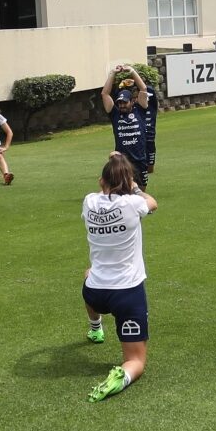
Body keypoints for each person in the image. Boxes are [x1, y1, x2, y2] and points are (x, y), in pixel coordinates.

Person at [82, 152, 157, 402]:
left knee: (88, 273)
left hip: (95, 293)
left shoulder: (89, 202)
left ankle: (95, 328)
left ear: (101, 181)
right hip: (127, 294)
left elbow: (106, 189)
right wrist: (134, 187)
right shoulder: (132, 204)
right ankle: (120, 377)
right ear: (128, 183)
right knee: (135, 361)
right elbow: (152, 203)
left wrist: (114, 169)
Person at [102, 65, 157, 186]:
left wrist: (132, 71)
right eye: (119, 103)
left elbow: (143, 88)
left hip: (140, 160)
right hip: (122, 163)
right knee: (122, 192)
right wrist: (112, 74)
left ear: (132, 101)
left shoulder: (140, 110)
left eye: (124, 102)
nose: (121, 105)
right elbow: (105, 94)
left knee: (141, 193)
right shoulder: (115, 114)